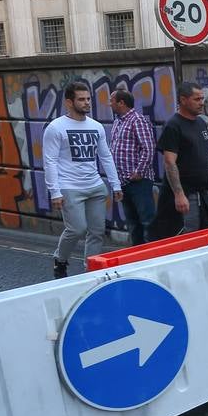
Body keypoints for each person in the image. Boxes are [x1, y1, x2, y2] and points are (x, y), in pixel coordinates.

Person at [44, 80, 122, 278]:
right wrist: (55, 192)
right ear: (69, 103)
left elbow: (105, 156)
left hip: (95, 186)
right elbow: (50, 161)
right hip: (69, 187)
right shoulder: (56, 128)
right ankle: (60, 259)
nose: (87, 103)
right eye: (81, 99)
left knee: (97, 232)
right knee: (77, 229)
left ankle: (90, 272)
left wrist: (115, 184)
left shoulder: (96, 127)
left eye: (88, 99)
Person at [148, 80, 208, 240]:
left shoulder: (201, 123)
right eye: (197, 99)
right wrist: (179, 194)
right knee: (188, 238)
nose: (202, 103)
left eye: (202, 99)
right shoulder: (173, 126)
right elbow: (170, 162)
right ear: (183, 100)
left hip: (205, 192)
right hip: (185, 194)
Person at [109, 89, 157, 246]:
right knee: (133, 223)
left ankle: (152, 255)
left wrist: (139, 172)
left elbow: (148, 148)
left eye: (112, 101)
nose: (109, 104)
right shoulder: (118, 122)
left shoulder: (138, 120)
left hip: (139, 182)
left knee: (147, 221)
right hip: (123, 182)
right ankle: (137, 255)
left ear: (121, 103)